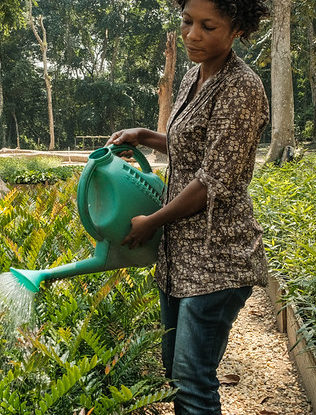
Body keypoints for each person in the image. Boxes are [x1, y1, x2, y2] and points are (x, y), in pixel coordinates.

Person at [105, 0, 270, 413]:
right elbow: (191, 145)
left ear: (237, 31)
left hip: (218, 257)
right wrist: (145, 134)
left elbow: (213, 179)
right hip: (181, 256)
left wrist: (151, 222)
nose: (193, 34)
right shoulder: (194, 75)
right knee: (176, 373)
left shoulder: (241, 88)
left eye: (208, 26)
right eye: (187, 22)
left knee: (193, 383)